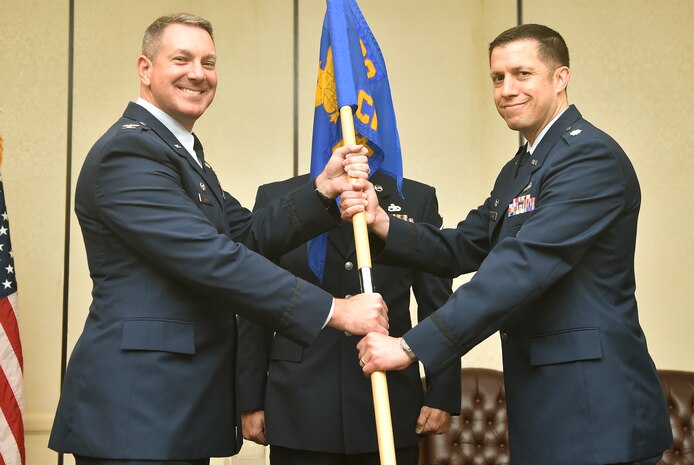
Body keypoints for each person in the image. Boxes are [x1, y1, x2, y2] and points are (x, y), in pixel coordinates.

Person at [48, 13, 389, 465]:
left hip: (175, 408)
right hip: (137, 410)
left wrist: (321, 190)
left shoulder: (181, 154)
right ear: (145, 69)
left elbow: (246, 234)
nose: (198, 73)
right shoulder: (128, 152)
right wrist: (335, 311)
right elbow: (212, 258)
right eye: (181, 59)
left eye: (208, 62)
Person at [342, 24, 673, 465]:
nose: (506, 89)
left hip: (595, 412)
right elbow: (461, 246)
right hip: (545, 408)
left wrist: (410, 346)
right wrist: (384, 223)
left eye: (522, 74)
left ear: (560, 78)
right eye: (498, 78)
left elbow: (520, 268)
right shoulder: (522, 167)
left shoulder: (589, 158)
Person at [237, 171, 461, 465]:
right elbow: (257, 302)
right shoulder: (277, 198)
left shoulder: (416, 199)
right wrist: (250, 400)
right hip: (299, 405)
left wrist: (440, 392)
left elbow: (437, 303)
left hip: (386, 402)